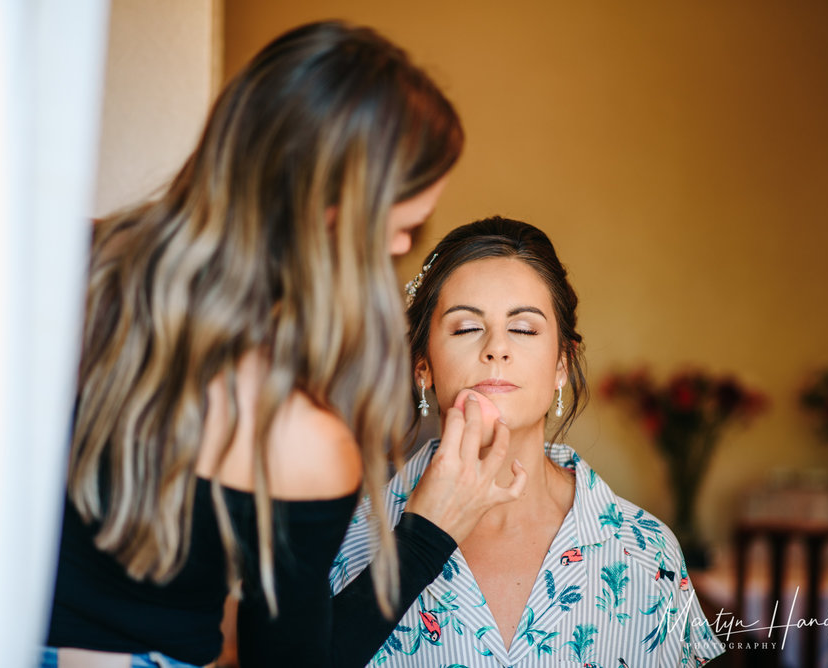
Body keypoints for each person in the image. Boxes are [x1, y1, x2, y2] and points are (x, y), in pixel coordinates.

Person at [43, 21, 527, 668]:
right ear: (331, 218)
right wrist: (431, 528)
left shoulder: (69, 265)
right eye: (401, 227)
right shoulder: (301, 431)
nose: (400, 250)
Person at [332, 217, 726, 666]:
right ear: (423, 366)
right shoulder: (348, 539)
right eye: (465, 328)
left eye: (523, 328)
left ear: (562, 363)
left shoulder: (644, 551)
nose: (496, 348)